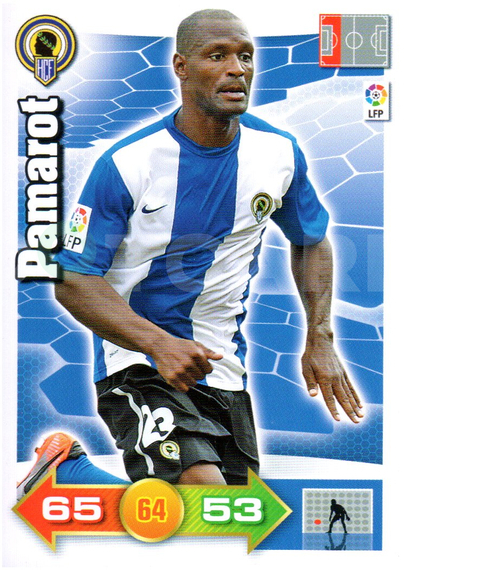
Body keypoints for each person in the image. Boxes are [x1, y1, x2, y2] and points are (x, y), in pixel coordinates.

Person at [18, 9, 363, 495]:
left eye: (245, 56)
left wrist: (320, 334)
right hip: (139, 362)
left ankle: (68, 474)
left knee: (240, 518)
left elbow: (310, 239)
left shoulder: (278, 153)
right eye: (217, 56)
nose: (237, 69)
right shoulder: (126, 164)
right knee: (206, 500)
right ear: (181, 67)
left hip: (223, 369)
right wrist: (158, 344)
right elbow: (72, 278)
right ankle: (72, 475)